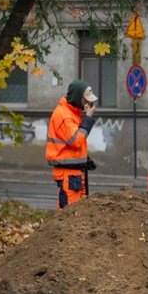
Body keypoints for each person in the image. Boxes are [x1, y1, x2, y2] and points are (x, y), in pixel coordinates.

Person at [46, 80, 97, 209]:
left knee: (78, 214)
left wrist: (84, 160)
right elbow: (76, 141)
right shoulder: (64, 116)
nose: (88, 104)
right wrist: (89, 119)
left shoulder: (73, 113)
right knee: (70, 214)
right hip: (68, 174)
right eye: (85, 100)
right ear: (77, 98)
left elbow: (74, 145)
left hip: (74, 172)